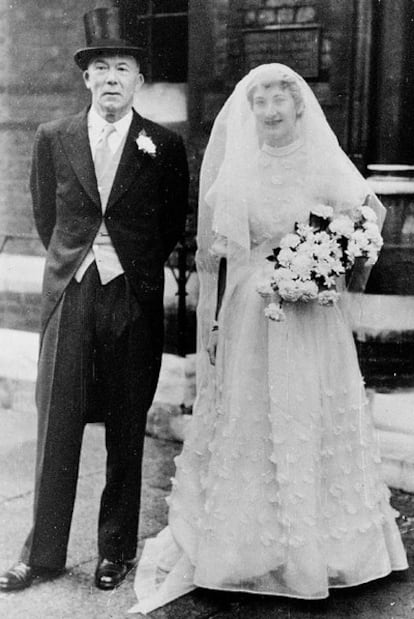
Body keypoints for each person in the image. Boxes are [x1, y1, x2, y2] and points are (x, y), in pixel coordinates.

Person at [130, 63, 407, 614]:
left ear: (299, 107)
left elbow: (367, 217)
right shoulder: (239, 171)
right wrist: (212, 322)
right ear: (251, 110)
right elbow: (219, 258)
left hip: (312, 316)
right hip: (251, 316)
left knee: (310, 414)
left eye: (282, 100)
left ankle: (328, 550)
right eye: (262, 103)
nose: (273, 111)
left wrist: (332, 262)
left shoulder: (319, 163)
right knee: (253, 416)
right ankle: (248, 549)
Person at [0, 7, 188, 592]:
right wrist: (75, 259)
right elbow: (45, 214)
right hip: (72, 293)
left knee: (127, 426)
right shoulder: (53, 137)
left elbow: (170, 222)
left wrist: (132, 270)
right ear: (86, 79)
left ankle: (115, 550)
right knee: (56, 423)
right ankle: (44, 552)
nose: (111, 78)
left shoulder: (163, 144)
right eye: (100, 68)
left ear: (138, 81)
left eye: (123, 68)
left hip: (129, 295)